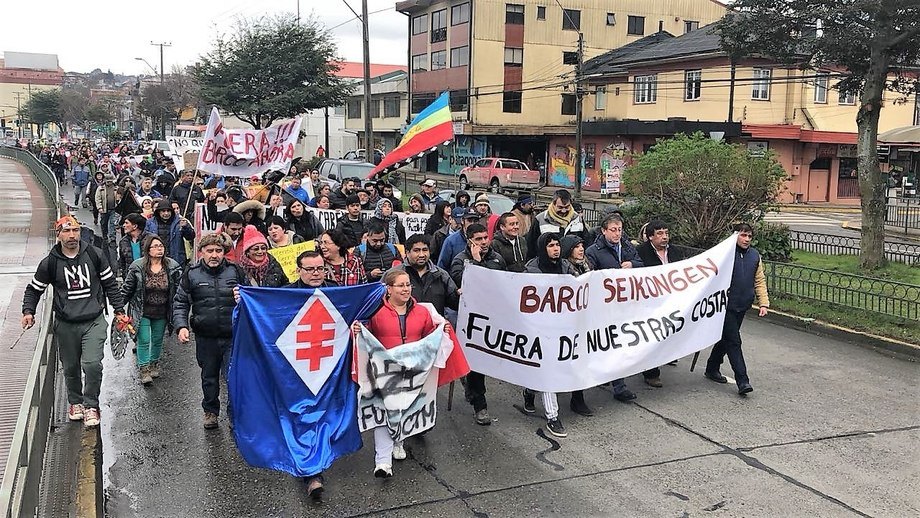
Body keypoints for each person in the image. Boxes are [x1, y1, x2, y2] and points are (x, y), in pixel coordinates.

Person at [21, 215, 128, 428]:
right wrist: (28, 311)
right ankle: (75, 402)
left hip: (93, 319)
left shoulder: (95, 255)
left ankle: (91, 405)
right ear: (58, 235)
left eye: (76, 231)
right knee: (70, 367)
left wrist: (119, 310)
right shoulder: (50, 263)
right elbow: (34, 289)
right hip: (66, 322)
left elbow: (110, 286)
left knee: (92, 364)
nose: (72, 236)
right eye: (67, 231)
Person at [351, 269, 440, 478]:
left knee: (404, 410)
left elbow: (429, 337)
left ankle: (399, 441)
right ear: (388, 289)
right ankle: (382, 462)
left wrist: (441, 334)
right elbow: (365, 332)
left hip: (413, 372)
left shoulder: (422, 312)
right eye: (400, 285)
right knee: (384, 412)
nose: (406, 289)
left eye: (408, 284)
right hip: (383, 371)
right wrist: (358, 330)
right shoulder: (375, 310)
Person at [173, 233, 248, 429]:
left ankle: (235, 414)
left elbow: (252, 296)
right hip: (205, 337)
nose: (214, 255)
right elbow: (180, 302)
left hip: (233, 336)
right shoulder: (191, 273)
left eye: (218, 251)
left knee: (234, 377)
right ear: (201, 252)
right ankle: (210, 411)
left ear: (224, 252)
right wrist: (181, 326)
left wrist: (244, 299)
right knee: (209, 377)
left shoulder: (235, 272)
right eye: (210, 251)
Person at [521, 233, 578, 437]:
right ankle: (552, 416)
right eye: (550, 245)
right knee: (547, 370)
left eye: (557, 245)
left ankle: (529, 391)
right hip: (540, 329)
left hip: (562, 327)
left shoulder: (566, 266)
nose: (555, 249)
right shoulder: (532, 269)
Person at [450, 223, 506, 426]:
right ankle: (480, 405)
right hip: (472, 319)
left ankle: (469, 383)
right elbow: (466, 282)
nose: (483, 242)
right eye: (479, 239)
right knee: (477, 361)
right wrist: (475, 262)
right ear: (470, 240)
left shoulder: (497, 259)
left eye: (485, 238)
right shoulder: (460, 260)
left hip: (493, 316)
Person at [705, 223, 769, 396]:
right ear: (735, 236)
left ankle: (712, 367)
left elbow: (759, 280)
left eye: (749, 236)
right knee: (734, 341)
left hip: (743, 304)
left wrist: (763, 303)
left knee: (725, 338)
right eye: (743, 235)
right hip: (725, 305)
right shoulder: (725, 254)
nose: (747, 239)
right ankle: (743, 380)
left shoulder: (754, 256)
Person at [585, 213, 642, 403]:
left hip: (624, 304)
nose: (617, 234)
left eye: (620, 230)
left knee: (619, 344)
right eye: (613, 230)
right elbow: (588, 276)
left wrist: (632, 264)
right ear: (604, 231)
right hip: (604, 306)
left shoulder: (626, 246)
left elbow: (643, 265)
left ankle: (619, 386)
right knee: (604, 343)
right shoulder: (594, 250)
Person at [120, 235, 182, 385]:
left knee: (157, 340)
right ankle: (144, 369)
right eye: (155, 246)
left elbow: (180, 289)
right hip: (142, 310)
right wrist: (119, 307)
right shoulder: (137, 266)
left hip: (162, 311)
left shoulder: (172, 266)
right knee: (144, 340)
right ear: (148, 249)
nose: (159, 249)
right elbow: (127, 289)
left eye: (161, 246)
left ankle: (154, 363)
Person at [636, 220, 686, 388]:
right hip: (649, 303)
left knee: (669, 332)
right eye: (660, 234)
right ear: (650, 237)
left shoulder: (675, 252)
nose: (665, 237)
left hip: (670, 302)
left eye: (666, 233)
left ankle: (667, 355)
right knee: (652, 335)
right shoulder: (641, 252)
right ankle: (651, 373)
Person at [397, 234, 459, 317]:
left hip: (435, 327)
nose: (422, 255)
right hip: (404, 327)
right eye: (417, 250)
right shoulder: (396, 274)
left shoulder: (441, 275)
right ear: (407, 253)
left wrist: (458, 295)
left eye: (425, 250)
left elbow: (454, 304)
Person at [527, 189, 591, 259]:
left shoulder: (578, 219)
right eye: (560, 207)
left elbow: (586, 242)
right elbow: (531, 246)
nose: (563, 211)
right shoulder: (540, 219)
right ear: (553, 204)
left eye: (567, 207)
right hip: (548, 264)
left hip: (572, 265)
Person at [145, 200, 195, 265]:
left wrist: (186, 227)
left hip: (176, 259)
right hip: (156, 258)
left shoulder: (180, 221)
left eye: (168, 211)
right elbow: (145, 240)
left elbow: (191, 237)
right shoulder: (150, 223)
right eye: (163, 211)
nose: (166, 213)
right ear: (158, 212)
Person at [118, 213, 151, 278]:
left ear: (135, 226)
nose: (124, 225)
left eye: (127, 223)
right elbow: (123, 262)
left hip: (148, 277)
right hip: (131, 278)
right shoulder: (123, 241)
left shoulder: (150, 239)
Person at [94, 173, 119, 244]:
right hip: (104, 209)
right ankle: (104, 235)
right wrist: (99, 208)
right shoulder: (101, 188)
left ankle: (112, 237)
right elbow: (97, 198)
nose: (109, 182)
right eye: (108, 181)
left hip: (113, 209)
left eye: (110, 181)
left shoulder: (116, 188)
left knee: (112, 223)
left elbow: (119, 197)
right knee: (104, 223)